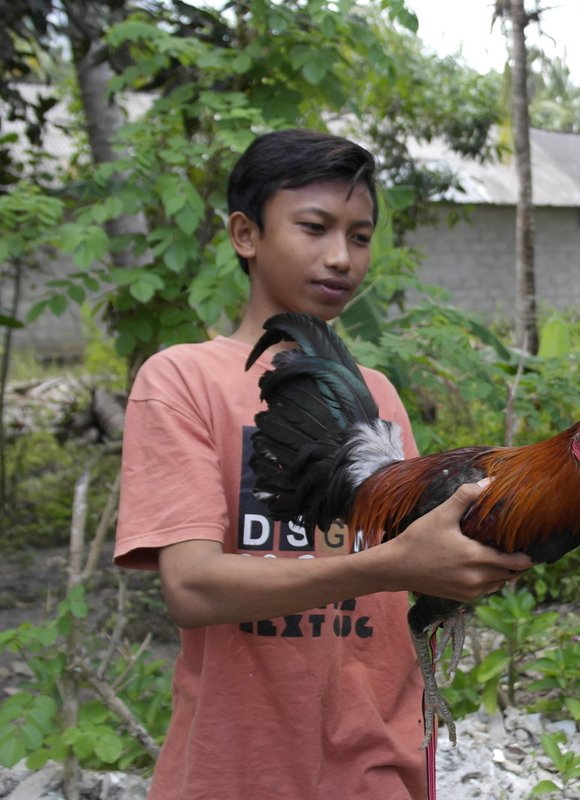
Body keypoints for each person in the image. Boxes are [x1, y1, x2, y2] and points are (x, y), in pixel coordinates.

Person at [114, 129, 532, 800]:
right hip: (240, 771)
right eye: (315, 227)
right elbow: (190, 589)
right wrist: (394, 565)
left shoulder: (378, 396)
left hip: (377, 764)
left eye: (361, 237)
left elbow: (410, 564)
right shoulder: (182, 380)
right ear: (245, 234)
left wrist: (469, 566)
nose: (341, 257)